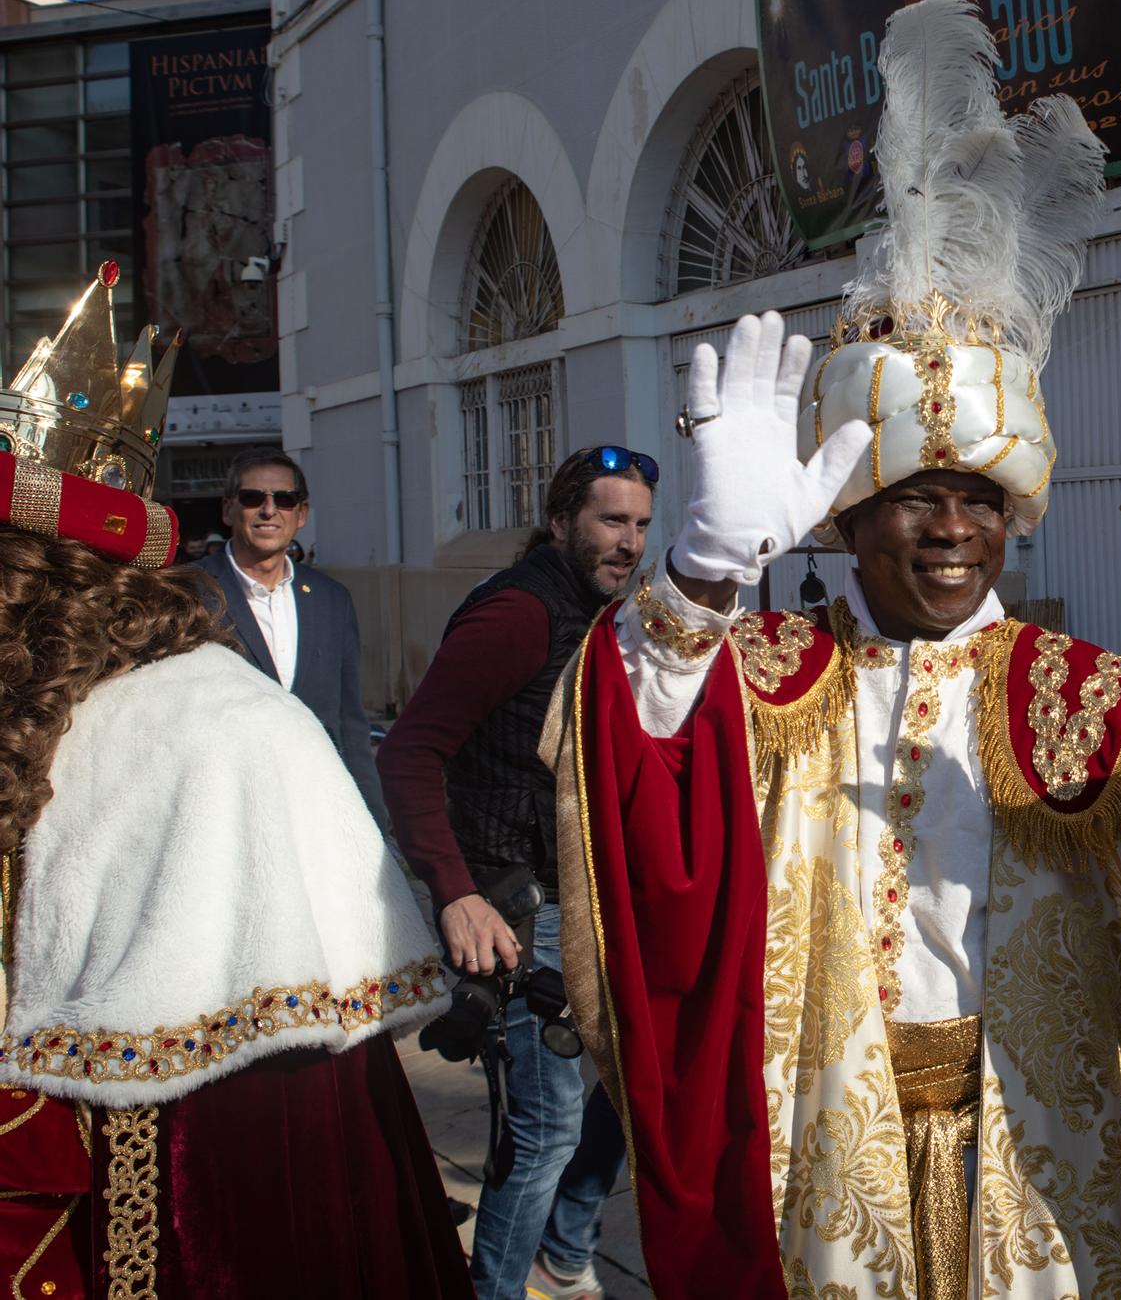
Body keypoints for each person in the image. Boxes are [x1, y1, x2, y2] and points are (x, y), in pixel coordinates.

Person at [543, 0, 1121, 1300]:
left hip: (1051, 1183)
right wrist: (699, 582)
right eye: (915, 496)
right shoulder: (770, 681)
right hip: (817, 1165)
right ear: (848, 516)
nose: (953, 531)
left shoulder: (1104, 709)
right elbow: (639, 774)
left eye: (982, 500)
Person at [0, 264, 470, 1298]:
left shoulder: (221, 725)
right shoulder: (40, 712)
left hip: (169, 1195)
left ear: (52, 582)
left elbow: (266, 1141)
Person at [377, 446, 653, 1300]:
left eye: (642, 524)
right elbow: (412, 752)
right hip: (516, 910)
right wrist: (455, 891)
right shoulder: (519, 614)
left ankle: (563, 1255)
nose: (630, 542)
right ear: (562, 518)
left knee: (633, 1085)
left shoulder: (599, 609)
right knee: (544, 1126)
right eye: (612, 520)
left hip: (586, 901)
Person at [199, 447, 390, 832]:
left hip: (312, 808)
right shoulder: (189, 593)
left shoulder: (332, 599)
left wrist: (374, 822)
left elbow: (348, 722)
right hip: (222, 811)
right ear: (228, 509)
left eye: (284, 500)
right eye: (254, 498)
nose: (269, 511)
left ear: (300, 514)